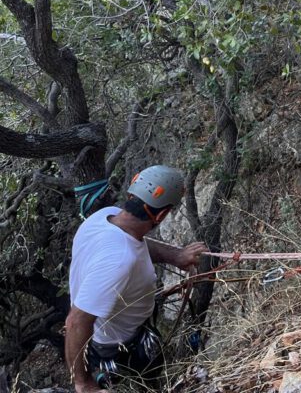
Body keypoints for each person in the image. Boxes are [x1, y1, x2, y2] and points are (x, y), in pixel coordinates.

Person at [65, 165, 208, 393]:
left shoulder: (105, 216)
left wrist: (176, 256)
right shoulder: (119, 260)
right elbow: (76, 322)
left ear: (132, 194)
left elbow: (136, 242)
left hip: (125, 333)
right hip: (115, 349)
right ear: (161, 215)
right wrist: (83, 383)